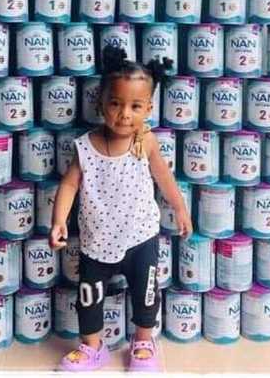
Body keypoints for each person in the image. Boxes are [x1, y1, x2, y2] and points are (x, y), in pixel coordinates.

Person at [50, 46, 192, 372]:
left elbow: (164, 178)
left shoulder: (146, 142)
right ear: (101, 102)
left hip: (140, 237)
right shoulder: (85, 146)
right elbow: (70, 184)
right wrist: (59, 221)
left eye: (135, 106)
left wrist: (181, 209)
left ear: (148, 108)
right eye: (116, 103)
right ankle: (92, 347)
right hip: (96, 241)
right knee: (89, 297)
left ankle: (143, 341)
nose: (124, 113)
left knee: (146, 294)